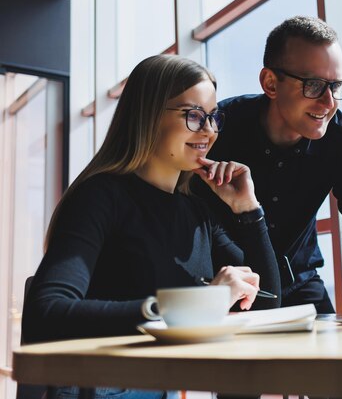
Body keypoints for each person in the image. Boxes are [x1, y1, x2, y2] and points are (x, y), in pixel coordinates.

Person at [21, 55, 280, 399]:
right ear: (148, 115)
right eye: (193, 115)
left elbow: (266, 303)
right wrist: (195, 305)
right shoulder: (100, 197)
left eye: (213, 117)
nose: (209, 130)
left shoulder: (197, 213)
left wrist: (248, 210)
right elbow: (47, 312)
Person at [191, 16, 342, 316]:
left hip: (299, 283)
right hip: (222, 287)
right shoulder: (217, 128)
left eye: (335, 85)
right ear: (270, 83)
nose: (328, 101)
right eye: (314, 85)